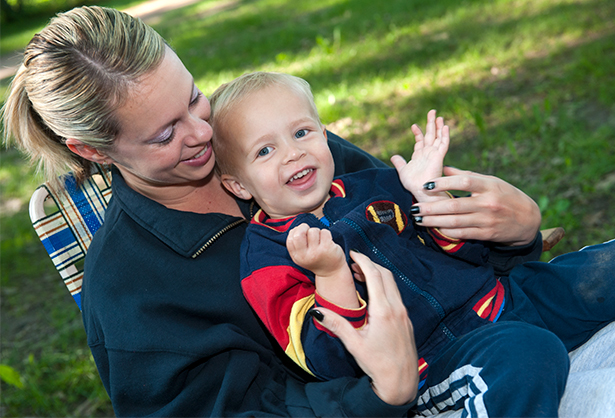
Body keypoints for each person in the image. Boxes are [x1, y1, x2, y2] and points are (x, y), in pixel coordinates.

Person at [1, 5, 612, 417]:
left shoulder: (266, 139)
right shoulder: (130, 294)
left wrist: (515, 231)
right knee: (530, 357)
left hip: (486, 318)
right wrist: (383, 391)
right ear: (91, 150)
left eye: (194, 98)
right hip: (416, 387)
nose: (202, 133)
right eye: (165, 135)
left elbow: (420, 243)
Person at [209, 71, 615, 416]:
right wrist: (330, 274)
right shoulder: (266, 258)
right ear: (238, 184)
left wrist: (433, 200)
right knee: (526, 353)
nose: (293, 153)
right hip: (439, 360)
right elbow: (327, 360)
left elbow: (476, 256)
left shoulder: (373, 186)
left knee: (603, 270)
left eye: (302, 132)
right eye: (265, 150)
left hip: (504, 298)